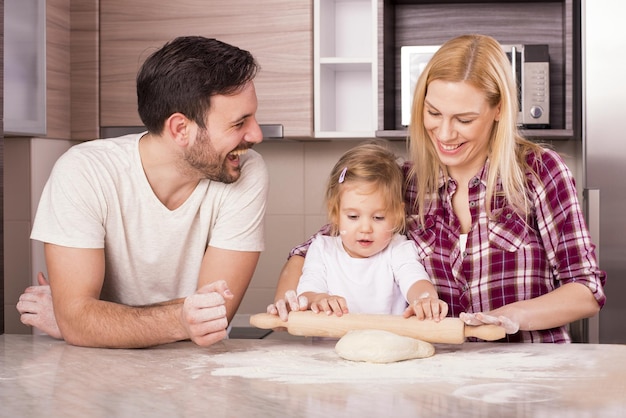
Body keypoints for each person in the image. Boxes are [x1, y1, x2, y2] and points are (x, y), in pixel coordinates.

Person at [269, 34, 606, 343]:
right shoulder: (406, 182)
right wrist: (291, 301)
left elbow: (586, 290)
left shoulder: (539, 171)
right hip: (436, 380)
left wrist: (510, 317)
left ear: (498, 109)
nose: (444, 134)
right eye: (433, 113)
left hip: (529, 375)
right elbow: (318, 246)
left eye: (464, 119)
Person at [16, 36, 268, 348]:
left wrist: (87, 320)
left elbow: (214, 315)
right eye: (239, 123)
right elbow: (79, 322)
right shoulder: (84, 171)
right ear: (180, 129)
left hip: (196, 369)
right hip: (95, 372)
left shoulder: (244, 169)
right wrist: (80, 321)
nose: (256, 134)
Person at [295, 143, 448, 320]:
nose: (365, 228)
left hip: (389, 346)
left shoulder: (398, 249)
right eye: (353, 216)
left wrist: (425, 299)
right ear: (336, 214)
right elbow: (307, 292)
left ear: (397, 215)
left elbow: (414, 280)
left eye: (378, 218)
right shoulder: (322, 249)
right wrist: (320, 299)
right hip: (330, 347)